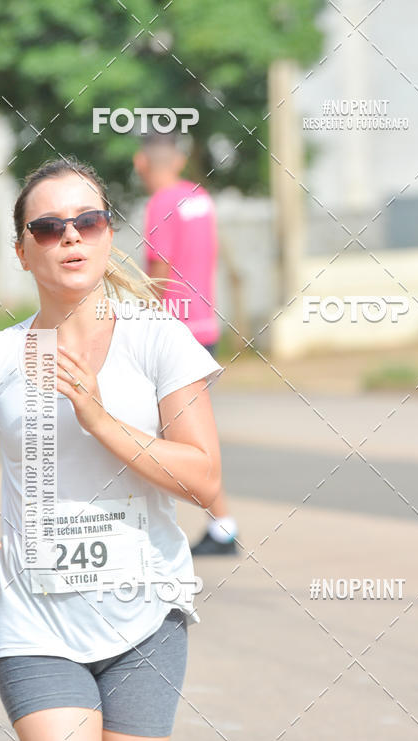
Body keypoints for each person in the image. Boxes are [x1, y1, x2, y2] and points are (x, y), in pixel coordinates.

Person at [0, 156, 224, 741]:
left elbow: (205, 480)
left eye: (88, 221)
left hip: (146, 623)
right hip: (35, 626)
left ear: (109, 236)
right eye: (48, 226)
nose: (70, 237)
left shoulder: (157, 342)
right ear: (23, 250)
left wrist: (98, 418)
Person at [133, 132, 240, 556]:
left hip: (174, 332)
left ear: (143, 163)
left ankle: (210, 527)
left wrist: (140, 326)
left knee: (156, 436)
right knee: (184, 437)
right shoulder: (200, 197)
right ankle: (221, 526)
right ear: (178, 159)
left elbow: (159, 273)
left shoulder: (160, 204)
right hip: (205, 329)